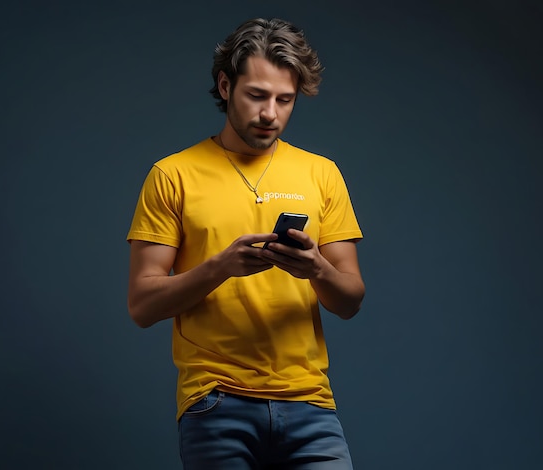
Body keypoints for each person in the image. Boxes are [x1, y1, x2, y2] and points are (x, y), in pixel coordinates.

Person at [126, 17, 365, 469]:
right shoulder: (172, 175)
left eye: (284, 100)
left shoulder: (322, 173)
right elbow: (142, 305)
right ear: (224, 85)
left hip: (310, 401)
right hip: (215, 402)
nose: (270, 114)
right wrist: (220, 267)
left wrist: (316, 268)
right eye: (257, 95)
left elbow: (351, 299)